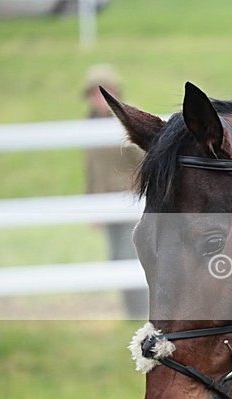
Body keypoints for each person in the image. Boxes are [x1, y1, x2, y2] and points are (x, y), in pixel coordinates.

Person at [83, 64, 147, 319]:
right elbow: (91, 170)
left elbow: (144, 155)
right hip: (104, 203)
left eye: (104, 92)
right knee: (115, 260)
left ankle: (141, 312)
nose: (99, 99)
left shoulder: (127, 120)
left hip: (129, 202)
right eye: (94, 94)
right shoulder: (87, 124)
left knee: (129, 258)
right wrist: (91, 206)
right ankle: (130, 312)